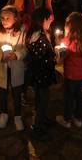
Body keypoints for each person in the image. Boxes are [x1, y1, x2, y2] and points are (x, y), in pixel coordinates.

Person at [0, 5, 27, 131]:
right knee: (2, 93)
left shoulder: (22, 31)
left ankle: (17, 116)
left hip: (16, 68)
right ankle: (3, 114)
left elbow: (26, 48)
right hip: (1, 68)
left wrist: (17, 55)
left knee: (17, 93)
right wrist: (0, 57)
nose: (4, 21)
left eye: (7, 18)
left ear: (15, 19)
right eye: (2, 18)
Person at [26, 7, 56, 141]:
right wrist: (55, 57)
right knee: (43, 99)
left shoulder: (37, 33)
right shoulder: (40, 37)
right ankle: (37, 127)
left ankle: (42, 118)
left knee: (40, 97)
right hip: (42, 74)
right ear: (43, 19)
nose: (51, 20)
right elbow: (39, 56)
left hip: (38, 73)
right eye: (49, 18)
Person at [55, 12, 82, 128]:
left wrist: (58, 48)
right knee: (79, 96)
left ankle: (67, 119)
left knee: (69, 97)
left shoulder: (68, 40)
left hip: (70, 76)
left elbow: (62, 55)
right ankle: (78, 118)